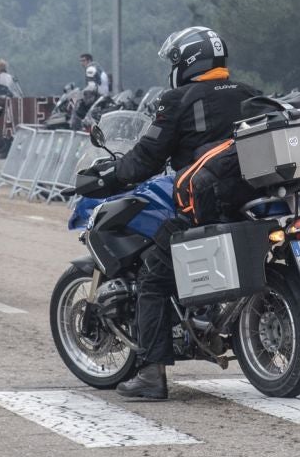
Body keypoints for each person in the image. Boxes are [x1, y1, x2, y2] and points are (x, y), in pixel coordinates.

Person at [94, 26, 262, 402]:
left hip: (206, 205)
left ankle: (152, 374)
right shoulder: (249, 94)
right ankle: (204, 312)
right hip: (253, 204)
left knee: (154, 273)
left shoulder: (177, 99)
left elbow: (146, 157)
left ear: (186, 63)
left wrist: (111, 175)